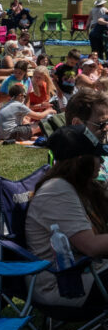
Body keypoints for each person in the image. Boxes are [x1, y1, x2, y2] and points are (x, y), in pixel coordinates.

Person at [25, 125, 108, 309]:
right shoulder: (57, 191)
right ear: (80, 161)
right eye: (95, 156)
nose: (101, 160)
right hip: (62, 283)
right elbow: (91, 246)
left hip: (87, 270)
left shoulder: (80, 185)